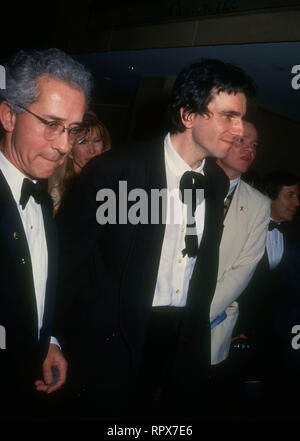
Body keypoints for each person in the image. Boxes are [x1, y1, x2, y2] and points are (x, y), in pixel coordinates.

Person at [54, 58, 255, 420]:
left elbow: (202, 267)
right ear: (189, 115)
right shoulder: (117, 171)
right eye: (228, 116)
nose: (239, 129)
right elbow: (66, 261)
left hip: (178, 343)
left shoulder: (216, 181)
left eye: (240, 117)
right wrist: (52, 339)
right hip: (115, 338)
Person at [0, 48, 92, 420]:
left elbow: (33, 286)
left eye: (73, 129)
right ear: (8, 115)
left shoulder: (42, 198)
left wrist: (47, 341)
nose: (65, 146)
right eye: (51, 124)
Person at [234, 170, 300, 407]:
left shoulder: (293, 235)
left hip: (276, 337)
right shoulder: (241, 230)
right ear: (268, 197)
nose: (297, 202)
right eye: (290, 195)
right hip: (236, 331)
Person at [210, 121, 270, 367]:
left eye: (254, 145)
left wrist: (198, 314)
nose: (250, 150)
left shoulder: (258, 204)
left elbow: (244, 268)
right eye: (241, 140)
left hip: (211, 322)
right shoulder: (183, 182)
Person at [48, 109, 111, 213]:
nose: (92, 150)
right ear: (70, 151)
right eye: (83, 142)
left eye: (96, 141)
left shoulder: (110, 183)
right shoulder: (56, 189)